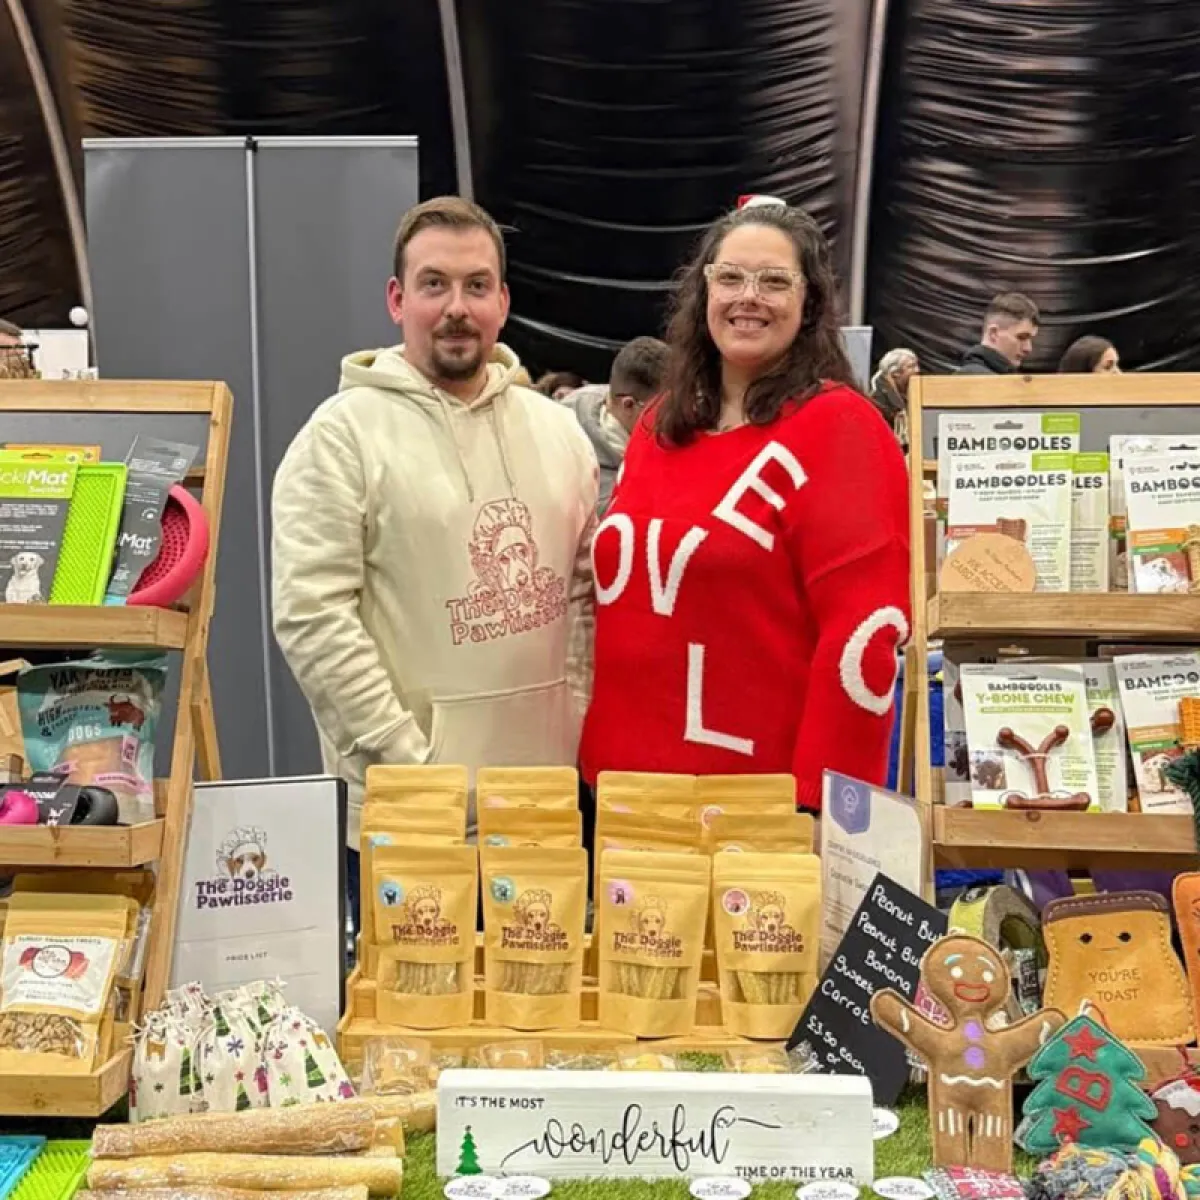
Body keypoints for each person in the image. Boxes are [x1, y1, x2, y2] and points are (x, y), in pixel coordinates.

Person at [272, 196, 599, 928]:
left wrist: (572, 721)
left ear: (503, 301)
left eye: (476, 285)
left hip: (542, 816)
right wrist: (410, 764)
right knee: (410, 1005)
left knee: (543, 1002)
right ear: (397, 300)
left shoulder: (560, 435)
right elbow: (312, 618)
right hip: (409, 821)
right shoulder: (339, 438)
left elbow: (582, 600)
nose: (456, 307)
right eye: (434, 284)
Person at [580, 201, 911, 812]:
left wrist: (825, 809)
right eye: (729, 277)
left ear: (810, 301)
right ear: (703, 290)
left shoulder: (841, 431)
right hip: (621, 792)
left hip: (756, 811)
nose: (748, 297)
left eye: (774, 281)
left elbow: (862, 639)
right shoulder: (659, 424)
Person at [560, 336, 669, 514]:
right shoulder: (595, 492)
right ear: (629, 405)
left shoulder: (614, 394)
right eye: (663, 410)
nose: (675, 418)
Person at [956, 292, 1039, 375]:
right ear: (993, 333)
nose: (1028, 348)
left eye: (1030, 339)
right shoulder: (974, 377)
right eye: (1021, 337)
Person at [869, 347, 918, 450]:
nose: (917, 370)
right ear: (895, 373)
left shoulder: (907, 396)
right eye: (911, 367)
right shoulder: (877, 401)